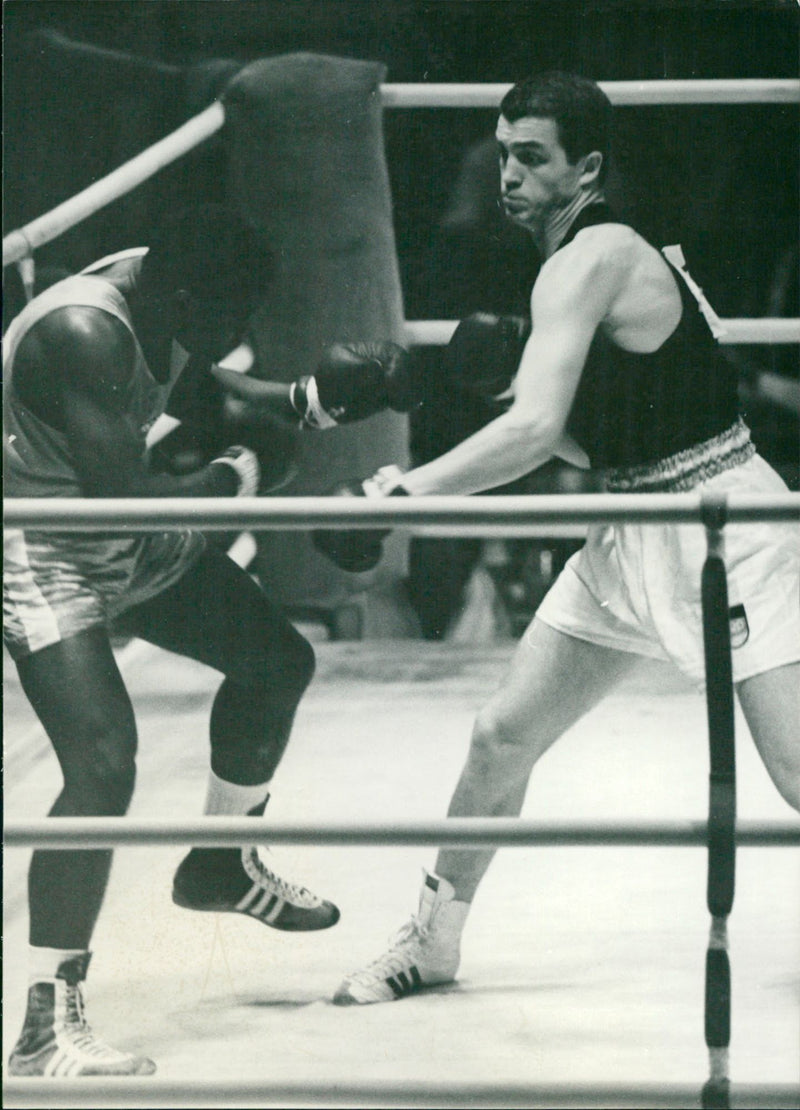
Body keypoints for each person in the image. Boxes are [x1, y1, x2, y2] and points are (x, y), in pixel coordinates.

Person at [308, 71, 799, 1005]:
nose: (508, 175)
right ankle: (432, 941)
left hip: (721, 530)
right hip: (629, 530)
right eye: (500, 154)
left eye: (531, 157)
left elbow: (534, 434)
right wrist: (462, 398)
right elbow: (579, 437)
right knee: (502, 736)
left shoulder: (596, 254)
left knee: (797, 773)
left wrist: (404, 489)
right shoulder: (569, 263)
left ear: (589, 166)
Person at [3, 203, 381, 1076]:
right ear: (170, 292)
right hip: (42, 544)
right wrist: (248, 471)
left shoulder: (164, 277)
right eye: (221, 321)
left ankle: (218, 863)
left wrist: (309, 406)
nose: (231, 336)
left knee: (275, 662)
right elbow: (130, 505)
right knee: (102, 762)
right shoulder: (82, 333)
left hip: (118, 521)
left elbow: (204, 389)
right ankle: (40, 1025)